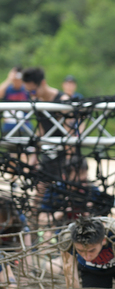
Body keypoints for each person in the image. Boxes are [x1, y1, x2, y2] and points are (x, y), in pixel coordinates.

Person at [21, 67, 76, 197]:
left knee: (68, 194)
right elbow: (41, 132)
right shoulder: (38, 102)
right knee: (39, 192)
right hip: (48, 153)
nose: (32, 95)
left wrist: (69, 162)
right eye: (29, 92)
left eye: (33, 90)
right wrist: (34, 158)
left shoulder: (62, 100)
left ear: (43, 83)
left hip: (65, 154)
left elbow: (70, 134)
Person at [0, 66, 33, 137]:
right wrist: (9, 79)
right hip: (8, 128)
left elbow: (35, 94)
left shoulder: (26, 89)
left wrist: (25, 80)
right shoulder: (7, 89)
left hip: (25, 127)